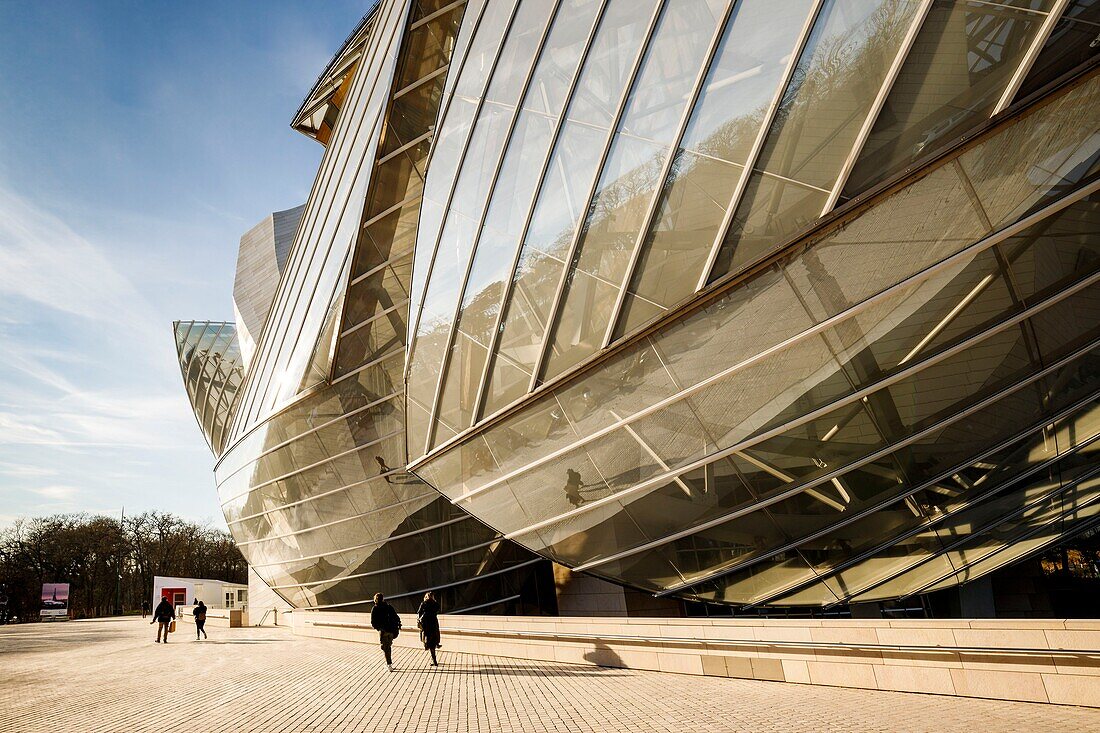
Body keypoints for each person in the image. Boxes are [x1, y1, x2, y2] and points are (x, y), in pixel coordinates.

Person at [370, 592, 401, 671]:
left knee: (385, 648)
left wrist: (379, 628)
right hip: (391, 630)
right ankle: (389, 663)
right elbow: (395, 616)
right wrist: (398, 624)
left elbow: (373, 622)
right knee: (388, 647)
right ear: (383, 598)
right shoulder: (388, 607)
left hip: (383, 631)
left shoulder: (375, 608)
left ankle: (389, 664)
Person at [416, 591, 441, 667]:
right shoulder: (435, 604)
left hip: (426, 624)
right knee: (434, 639)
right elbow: (437, 610)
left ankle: (434, 659)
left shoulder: (423, 603)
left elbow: (419, 613)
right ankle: (436, 645)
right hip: (434, 623)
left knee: (428, 639)